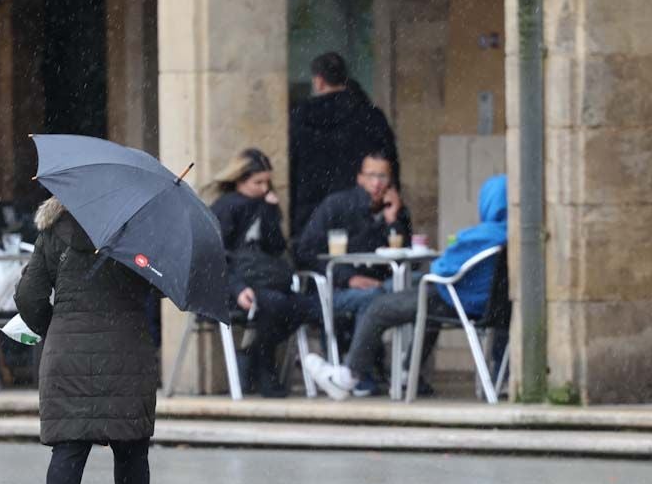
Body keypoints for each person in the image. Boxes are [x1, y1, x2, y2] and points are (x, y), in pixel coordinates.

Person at [14, 196, 166, 484]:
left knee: (68, 446)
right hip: (126, 349)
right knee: (130, 447)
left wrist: (55, 328)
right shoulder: (139, 232)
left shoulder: (53, 231)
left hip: (67, 351)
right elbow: (162, 285)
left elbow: (28, 295)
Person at [303, 174, 508, 400]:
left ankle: (347, 377)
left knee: (379, 307)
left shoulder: (479, 236)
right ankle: (408, 372)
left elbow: (440, 269)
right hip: (492, 309)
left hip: (456, 303)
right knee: (418, 294)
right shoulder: (512, 235)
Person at [294, 149, 411, 395]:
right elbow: (305, 250)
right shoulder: (338, 205)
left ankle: (406, 371)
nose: (377, 183)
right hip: (332, 290)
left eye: (383, 176)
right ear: (360, 178)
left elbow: (407, 255)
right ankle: (358, 372)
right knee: (373, 299)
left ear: (391, 180)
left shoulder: (396, 210)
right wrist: (348, 278)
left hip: (381, 286)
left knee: (421, 293)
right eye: (371, 176)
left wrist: (392, 221)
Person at [209, 148, 321, 398]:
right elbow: (215, 257)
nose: (263, 188)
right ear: (240, 181)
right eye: (257, 182)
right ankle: (264, 367)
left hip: (265, 281)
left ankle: (256, 354)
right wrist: (236, 288)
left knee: (308, 307)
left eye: (267, 182)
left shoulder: (263, 204)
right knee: (275, 305)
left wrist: (271, 213)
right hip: (233, 285)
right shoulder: (227, 208)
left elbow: (275, 246)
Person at [289, 51, 399, 237]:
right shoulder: (370, 115)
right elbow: (390, 162)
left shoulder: (300, 116)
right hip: (360, 208)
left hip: (311, 209)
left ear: (318, 81)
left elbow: (291, 163)